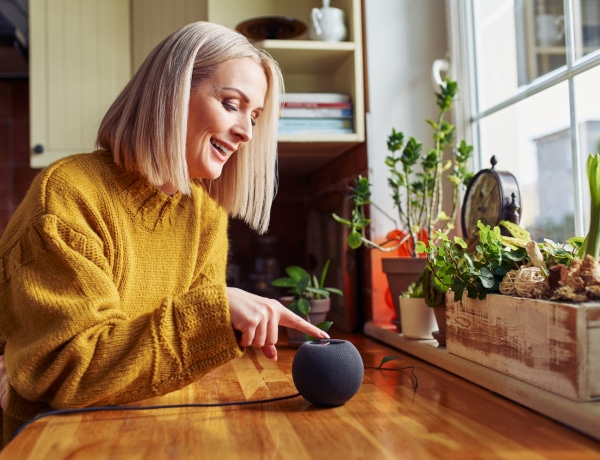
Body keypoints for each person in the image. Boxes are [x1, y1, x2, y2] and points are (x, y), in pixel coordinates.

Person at [0, 21, 329, 446]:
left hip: (156, 431)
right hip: (59, 444)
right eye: (232, 104)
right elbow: (71, 371)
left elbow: (177, 357)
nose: (247, 132)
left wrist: (217, 316)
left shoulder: (205, 217)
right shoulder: (67, 195)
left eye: (255, 116)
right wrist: (215, 310)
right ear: (172, 92)